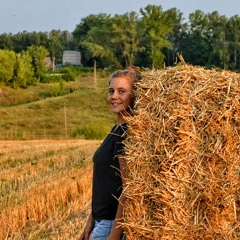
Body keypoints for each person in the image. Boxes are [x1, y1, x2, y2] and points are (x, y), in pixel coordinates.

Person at [80, 67, 142, 240]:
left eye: (122, 91)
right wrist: (90, 223)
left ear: (134, 96)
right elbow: (104, 186)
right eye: (111, 91)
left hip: (110, 226)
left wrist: (114, 234)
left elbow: (128, 189)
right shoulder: (116, 130)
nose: (114, 96)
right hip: (101, 223)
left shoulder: (126, 135)